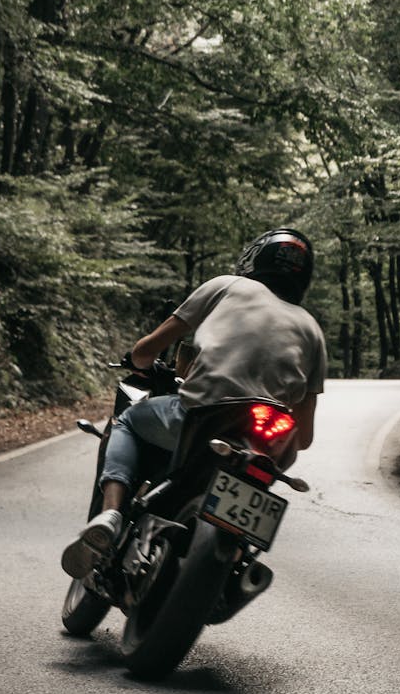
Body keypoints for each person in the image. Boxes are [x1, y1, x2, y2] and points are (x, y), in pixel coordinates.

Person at [61, 227, 327, 579]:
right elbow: (304, 437)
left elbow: (146, 350)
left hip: (207, 413)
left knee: (128, 421)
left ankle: (111, 513)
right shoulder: (313, 329)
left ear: (254, 259)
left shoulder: (226, 286)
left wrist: (139, 360)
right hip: (270, 437)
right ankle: (235, 558)